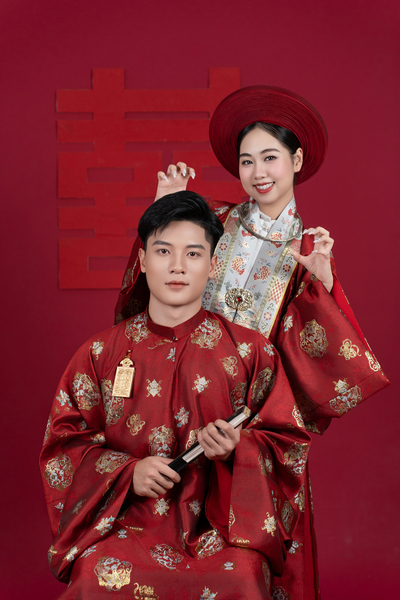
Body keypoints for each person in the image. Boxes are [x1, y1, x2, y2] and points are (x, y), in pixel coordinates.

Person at [114, 87, 389, 599]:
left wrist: (322, 289)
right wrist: (162, 210)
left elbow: (324, 368)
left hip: (251, 424)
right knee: (161, 552)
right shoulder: (211, 223)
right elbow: (150, 293)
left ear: (296, 161)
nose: (258, 172)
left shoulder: (309, 250)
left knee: (246, 564)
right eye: (247, 161)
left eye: (270, 158)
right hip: (181, 403)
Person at [40, 191, 313, 600]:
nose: (177, 266)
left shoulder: (251, 353)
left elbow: (287, 444)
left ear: (213, 264)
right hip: (124, 526)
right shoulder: (99, 354)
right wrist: (127, 473)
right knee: (96, 573)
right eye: (163, 251)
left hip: (220, 532)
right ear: (143, 260)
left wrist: (237, 449)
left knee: (242, 578)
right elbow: (63, 449)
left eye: (193, 253)